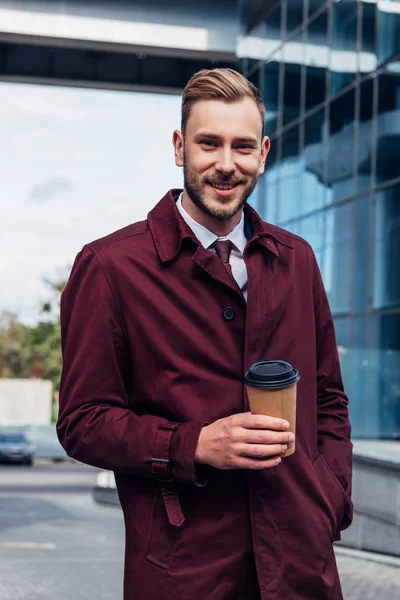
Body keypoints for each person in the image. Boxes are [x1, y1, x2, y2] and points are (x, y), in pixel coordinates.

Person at [57, 68, 353, 600]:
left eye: (242, 146)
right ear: (179, 147)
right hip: (183, 573)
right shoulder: (109, 268)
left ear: (263, 153)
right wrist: (195, 444)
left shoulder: (298, 261)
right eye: (208, 143)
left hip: (301, 569)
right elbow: (83, 423)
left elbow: (328, 397)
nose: (225, 164)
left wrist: (330, 498)